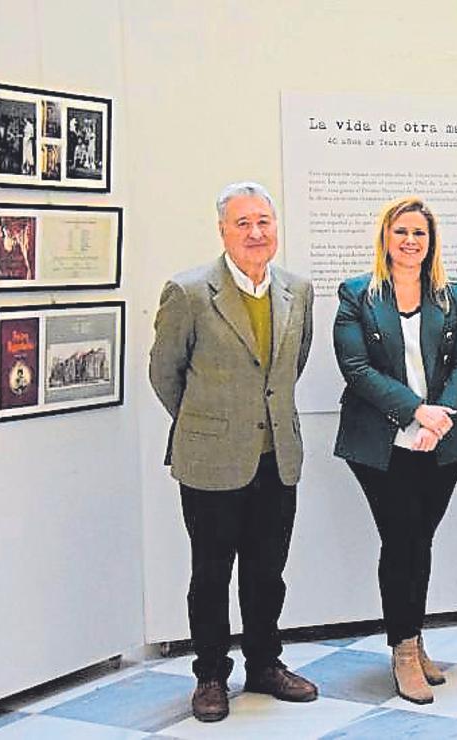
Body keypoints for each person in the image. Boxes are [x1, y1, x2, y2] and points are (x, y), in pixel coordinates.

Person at [149, 181, 318, 723]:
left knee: (268, 573)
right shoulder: (189, 291)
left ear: (276, 227)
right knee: (211, 573)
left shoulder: (298, 289)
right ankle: (210, 676)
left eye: (263, 221)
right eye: (242, 222)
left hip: (277, 456)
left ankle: (265, 664)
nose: (255, 232)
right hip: (211, 460)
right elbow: (165, 374)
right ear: (222, 229)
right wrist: (210, 423)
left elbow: (292, 366)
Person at [332, 197, 457, 705]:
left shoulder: (452, 294)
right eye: (402, 232)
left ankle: (413, 638)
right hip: (382, 441)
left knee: (421, 540)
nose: (411, 242)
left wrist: (441, 417)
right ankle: (402, 650)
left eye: (419, 233)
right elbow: (356, 368)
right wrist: (418, 411)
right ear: (385, 238)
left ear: (431, 241)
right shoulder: (357, 294)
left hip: (442, 440)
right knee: (401, 541)